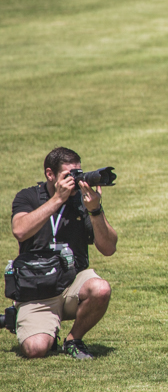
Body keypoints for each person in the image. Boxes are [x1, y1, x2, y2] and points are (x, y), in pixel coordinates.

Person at [9, 148, 118, 360]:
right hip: (37, 288)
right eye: (69, 175)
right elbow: (20, 231)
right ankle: (17, 318)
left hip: (71, 284)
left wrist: (95, 210)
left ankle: (73, 339)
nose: (75, 180)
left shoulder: (82, 202)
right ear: (50, 174)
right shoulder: (29, 196)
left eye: (78, 173)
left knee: (101, 288)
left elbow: (108, 248)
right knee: (35, 349)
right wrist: (58, 199)